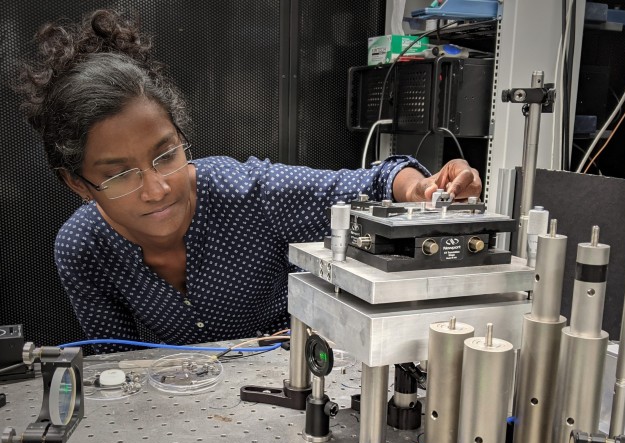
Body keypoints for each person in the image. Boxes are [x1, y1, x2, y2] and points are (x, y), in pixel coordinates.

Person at [18, 9, 482, 353]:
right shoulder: (81, 247)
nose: (157, 189)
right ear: (78, 184)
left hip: (293, 378)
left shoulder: (245, 192)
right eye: (120, 174)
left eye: (166, 155)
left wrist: (421, 189)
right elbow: (115, 367)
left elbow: (375, 182)